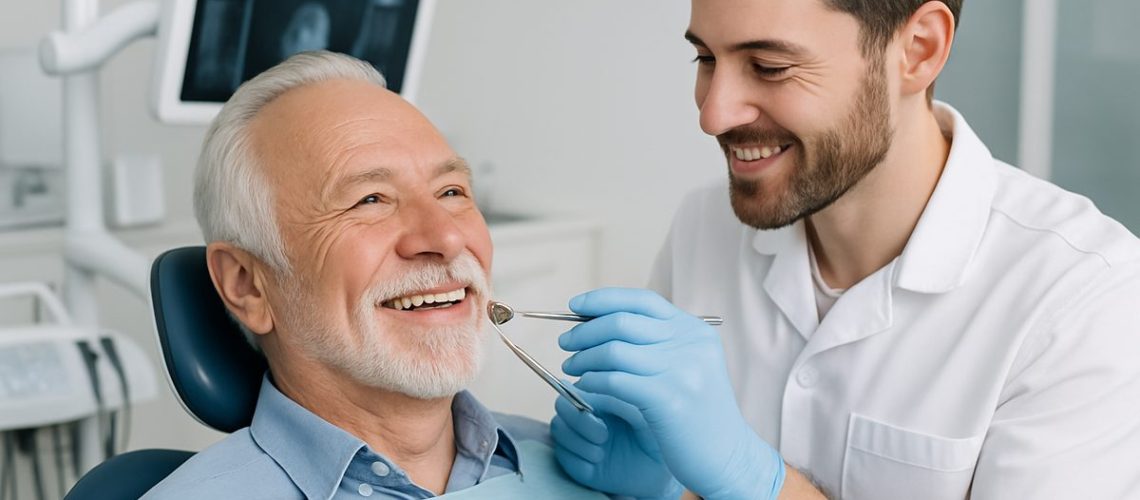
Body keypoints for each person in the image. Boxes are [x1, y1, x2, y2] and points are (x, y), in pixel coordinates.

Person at [550, 1, 1140, 499]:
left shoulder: (1087, 298)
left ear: (919, 49)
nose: (713, 113)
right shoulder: (705, 224)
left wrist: (755, 480)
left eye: (769, 66)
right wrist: (665, 489)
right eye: (705, 58)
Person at [144, 51, 606, 499]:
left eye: (451, 191)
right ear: (247, 284)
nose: (445, 237)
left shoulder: (583, 463)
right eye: (370, 200)